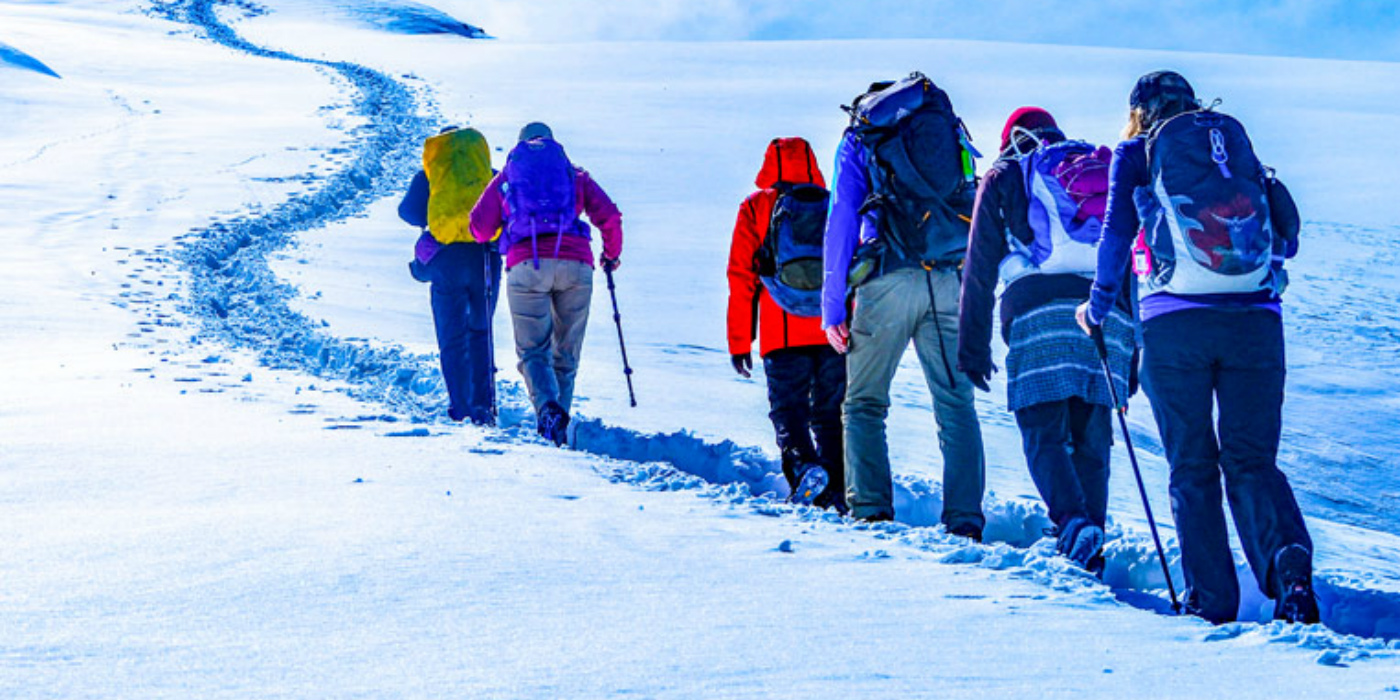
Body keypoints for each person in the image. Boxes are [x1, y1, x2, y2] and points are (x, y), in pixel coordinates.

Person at [1076, 71, 1318, 624]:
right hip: (1256, 319)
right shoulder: (1230, 148)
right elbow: (1289, 237)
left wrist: (1096, 307)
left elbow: (1116, 234)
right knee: (1253, 460)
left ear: (1138, 111)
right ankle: (1290, 574)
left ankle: (1211, 602)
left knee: (1191, 465)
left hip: (1174, 326)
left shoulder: (1137, 152)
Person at [958, 107, 1134, 572]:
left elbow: (978, 270)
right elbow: (1121, 253)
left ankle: (1074, 524)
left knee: (1043, 430)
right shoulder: (1094, 176)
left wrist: (972, 347)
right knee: (1093, 436)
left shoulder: (1004, 177)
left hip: (1038, 315)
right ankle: (1088, 543)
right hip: (1105, 314)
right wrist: (1131, 352)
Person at [822, 74, 986, 537]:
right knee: (956, 405)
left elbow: (841, 219)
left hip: (886, 279)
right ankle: (965, 521)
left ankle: (871, 511)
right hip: (949, 275)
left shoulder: (860, 136)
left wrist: (832, 307)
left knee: (864, 404)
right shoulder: (946, 126)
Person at [470, 122, 623, 445]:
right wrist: (611, 255)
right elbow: (609, 216)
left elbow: (480, 228)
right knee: (566, 353)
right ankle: (558, 428)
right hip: (577, 266)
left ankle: (548, 410)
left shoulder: (508, 177)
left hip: (526, 266)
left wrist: (508, 225)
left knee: (533, 351)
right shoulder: (574, 175)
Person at [726, 137, 846, 511]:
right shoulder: (831, 205)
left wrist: (739, 341)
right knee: (830, 414)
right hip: (832, 329)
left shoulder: (757, 206)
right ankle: (837, 489)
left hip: (782, 333)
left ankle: (805, 470)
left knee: (789, 411)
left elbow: (741, 277)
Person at [398, 125, 502, 426]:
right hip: (485, 257)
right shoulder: (486, 173)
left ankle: (460, 407)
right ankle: (485, 407)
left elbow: (407, 212)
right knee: (481, 331)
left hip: (445, 259)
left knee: (451, 336)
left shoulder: (432, 174)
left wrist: (435, 216)